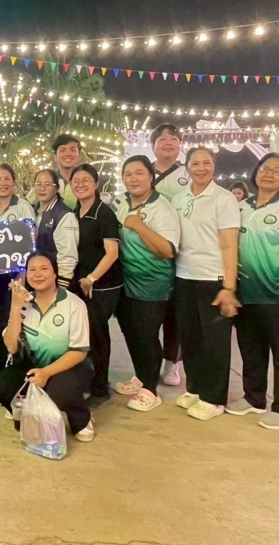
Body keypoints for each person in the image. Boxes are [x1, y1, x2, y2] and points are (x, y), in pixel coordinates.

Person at [228, 153, 279, 430]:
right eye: (264, 168)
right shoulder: (243, 206)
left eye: (277, 171)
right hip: (246, 293)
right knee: (251, 349)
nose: (268, 174)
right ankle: (254, 398)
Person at [0, 253, 96, 443]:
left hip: (69, 367)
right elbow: (11, 347)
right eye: (32, 269)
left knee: (60, 393)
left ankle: (82, 418)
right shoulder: (24, 303)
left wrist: (46, 373)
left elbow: (79, 352)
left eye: (44, 268)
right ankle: (24, 411)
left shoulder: (74, 304)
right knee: (1, 386)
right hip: (33, 365)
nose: (37, 274)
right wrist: (15, 308)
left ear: (55, 273)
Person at [170, 148, 241, 421]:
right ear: (187, 167)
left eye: (206, 163)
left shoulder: (223, 199)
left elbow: (229, 244)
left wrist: (229, 287)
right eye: (195, 163)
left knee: (215, 342)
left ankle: (214, 398)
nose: (201, 168)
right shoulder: (179, 198)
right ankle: (195, 388)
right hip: (184, 276)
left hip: (214, 278)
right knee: (190, 338)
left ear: (214, 166)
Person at [111, 155, 181, 413]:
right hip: (125, 282)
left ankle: (151, 390)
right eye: (128, 174)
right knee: (131, 333)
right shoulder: (119, 202)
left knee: (146, 336)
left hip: (153, 284)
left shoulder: (162, 208)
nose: (133, 179)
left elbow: (168, 250)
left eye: (139, 173)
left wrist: (139, 226)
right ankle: (141, 377)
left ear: (151, 177)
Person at [70, 163, 123, 408]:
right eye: (76, 181)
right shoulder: (74, 212)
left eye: (86, 180)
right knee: (85, 335)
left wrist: (92, 278)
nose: (80, 185)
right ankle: (89, 380)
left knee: (98, 335)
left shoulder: (104, 213)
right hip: (80, 283)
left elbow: (112, 252)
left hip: (101, 285)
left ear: (96, 184)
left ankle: (101, 388)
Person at [0, 163, 36, 382]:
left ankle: (12, 370)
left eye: (7, 179)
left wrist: (22, 273)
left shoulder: (22, 207)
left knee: (12, 320)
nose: (2, 183)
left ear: (14, 182)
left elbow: (31, 241)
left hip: (16, 275)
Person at [150, 124, 189, 386]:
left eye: (173, 138)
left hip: (180, 252)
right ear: (152, 145)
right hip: (146, 251)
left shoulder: (188, 173)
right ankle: (147, 363)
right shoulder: (142, 170)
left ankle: (172, 363)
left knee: (176, 312)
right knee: (147, 314)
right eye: (162, 138)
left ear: (180, 145)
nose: (167, 142)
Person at [33, 169, 79, 288]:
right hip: (37, 279)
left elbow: (68, 256)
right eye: (38, 184)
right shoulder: (33, 212)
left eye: (47, 184)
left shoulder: (64, 215)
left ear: (57, 188)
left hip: (55, 281)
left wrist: (62, 288)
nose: (42, 188)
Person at [26, 134, 82, 210]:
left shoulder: (86, 181)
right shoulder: (46, 179)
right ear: (55, 157)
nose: (68, 154)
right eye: (62, 150)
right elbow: (28, 206)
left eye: (72, 150)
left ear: (79, 156)